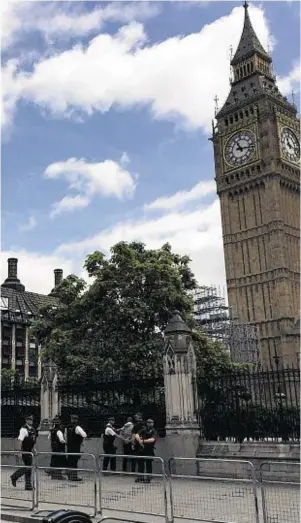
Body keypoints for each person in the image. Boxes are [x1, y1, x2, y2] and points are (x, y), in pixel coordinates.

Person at [11, 414, 38, 490]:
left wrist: (34, 450)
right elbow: (20, 441)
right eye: (29, 419)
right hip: (25, 451)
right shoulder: (23, 429)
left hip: (29, 451)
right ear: (26, 420)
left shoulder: (32, 429)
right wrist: (19, 452)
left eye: (32, 420)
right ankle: (15, 477)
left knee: (28, 468)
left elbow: (32, 441)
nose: (31, 421)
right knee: (28, 467)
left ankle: (28, 485)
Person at [66, 414, 87, 481]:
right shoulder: (77, 427)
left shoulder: (68, 427)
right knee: (74, 462)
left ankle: (70, 476)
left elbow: (65, 437)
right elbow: (84, 435)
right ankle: (74, 477)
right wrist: (81, 440)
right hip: (75, 447)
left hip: (69, 447)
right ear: (77, 420)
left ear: (71, 420)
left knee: (70, 462)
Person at [135, 419, 156, 483]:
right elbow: (137, 435)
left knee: (148, 465)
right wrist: (139, 440)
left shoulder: (153, 431)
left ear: (153, 424)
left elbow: (152, 439)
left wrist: (143, 441)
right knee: (140, 464)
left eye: (151, 423)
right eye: (148, 423)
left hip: (149, 449)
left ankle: (148, 478)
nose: (149, 424)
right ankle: (140, 477)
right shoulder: (143, 429)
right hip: (142, 449)